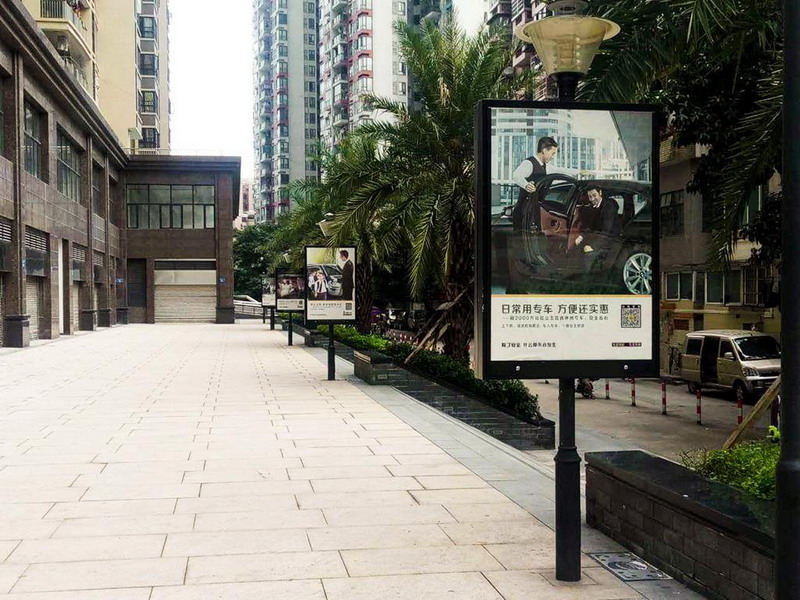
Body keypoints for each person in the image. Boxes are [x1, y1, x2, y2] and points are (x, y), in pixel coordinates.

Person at [511, 136, 559, 230]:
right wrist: (526, 185)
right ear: (545, 150)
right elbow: (516, 175)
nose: (553, 157)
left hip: (532, 211)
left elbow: (560, 170)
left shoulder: (544, 166)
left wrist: (579, 172)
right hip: (524, 213)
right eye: (552, 153)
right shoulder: (529, 163)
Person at [573, 186, 621, 273]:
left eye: (594, 195)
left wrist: (592, 246)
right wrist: (581, 236)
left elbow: (606, 231)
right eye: (590, 197)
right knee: (577, 247)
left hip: (611, 240)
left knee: (587, 255)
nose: (592, 199)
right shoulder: (592, 207)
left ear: (600, 193)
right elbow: (589, 226)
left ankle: (588, 278)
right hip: (599, 236)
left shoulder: (608, 207)